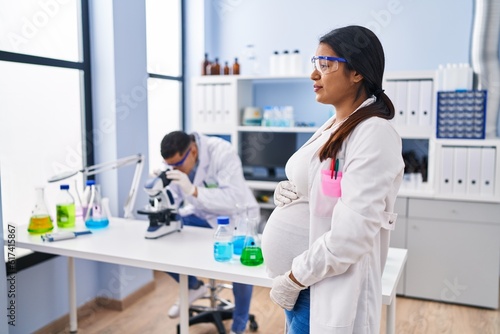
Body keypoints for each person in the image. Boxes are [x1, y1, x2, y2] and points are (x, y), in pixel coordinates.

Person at [261, 25, 404, 333]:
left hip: (321, 288)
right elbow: (322, 187)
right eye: (315, 64)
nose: (314, 74)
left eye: (325, 65)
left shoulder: (374, 133)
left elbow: (350, 236)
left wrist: (293, 278)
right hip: (305, 289)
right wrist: (292, 191)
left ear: (357, 73)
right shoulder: (335, 124)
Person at [158, 130, 260, 334]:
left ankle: (239, 326)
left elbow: (233, 199)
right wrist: (162, 191)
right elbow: (177, 198)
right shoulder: (177, 160)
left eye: (177, 165)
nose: (174, 169)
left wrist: (194, 191)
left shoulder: (222, 152)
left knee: (241, 270)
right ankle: (194, 286)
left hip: (236, 218)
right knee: (163, 234)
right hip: (202, 214)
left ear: (193, 151)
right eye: (170, 166)